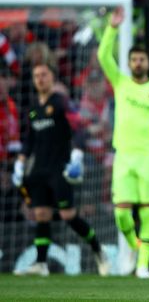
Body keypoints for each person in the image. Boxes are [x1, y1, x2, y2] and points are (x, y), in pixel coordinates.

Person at [98, 8, 149, 278]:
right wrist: (111, 28)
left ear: (148, 63)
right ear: (129, 62)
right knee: (123, 215)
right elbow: (102, 56)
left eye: (141, 59)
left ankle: (143, 265)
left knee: (147, 213)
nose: (137, 63)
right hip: (124, 156)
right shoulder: (121, 83)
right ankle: (135, 245)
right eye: (133, 59)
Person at [12, 63, 109, 276]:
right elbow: (29, 141)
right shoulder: (33, 109)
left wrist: (77, 154)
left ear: (53, 77)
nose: (39, 79)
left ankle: (97, 249)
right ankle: (41, 263)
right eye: (36, 75)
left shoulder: (62, 103)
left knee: (68, 215)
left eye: (44, 75)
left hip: (60, 168)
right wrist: (20, 163)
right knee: (41, 214)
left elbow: (79, 129)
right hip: (39, 169)